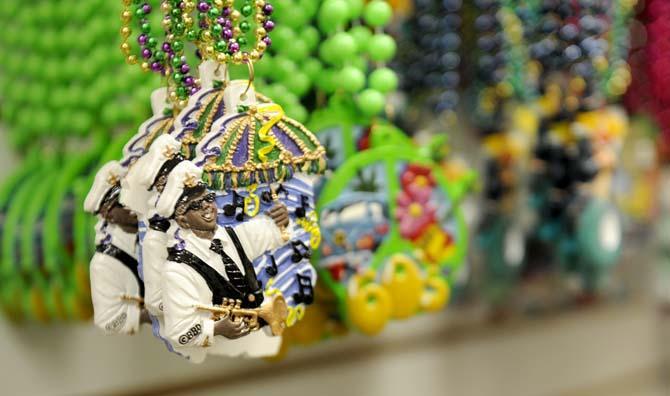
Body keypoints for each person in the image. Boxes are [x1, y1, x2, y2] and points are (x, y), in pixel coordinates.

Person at [156, 161, 290, 362]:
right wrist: (216, 329)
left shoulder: (237, 235)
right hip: (218, 358)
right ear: (183, 221)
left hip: (261, 341)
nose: (206, 208)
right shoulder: (177, 270)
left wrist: (282, 220)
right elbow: (179, 334)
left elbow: (280, 234)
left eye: (208, 198)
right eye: (194, 206)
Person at [84, 161, 149, 335]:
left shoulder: (153, 230)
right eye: (121, 202)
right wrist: (145, 315)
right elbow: (108, 322)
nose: (131, 203)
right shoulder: (104, 264)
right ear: (107, 214)